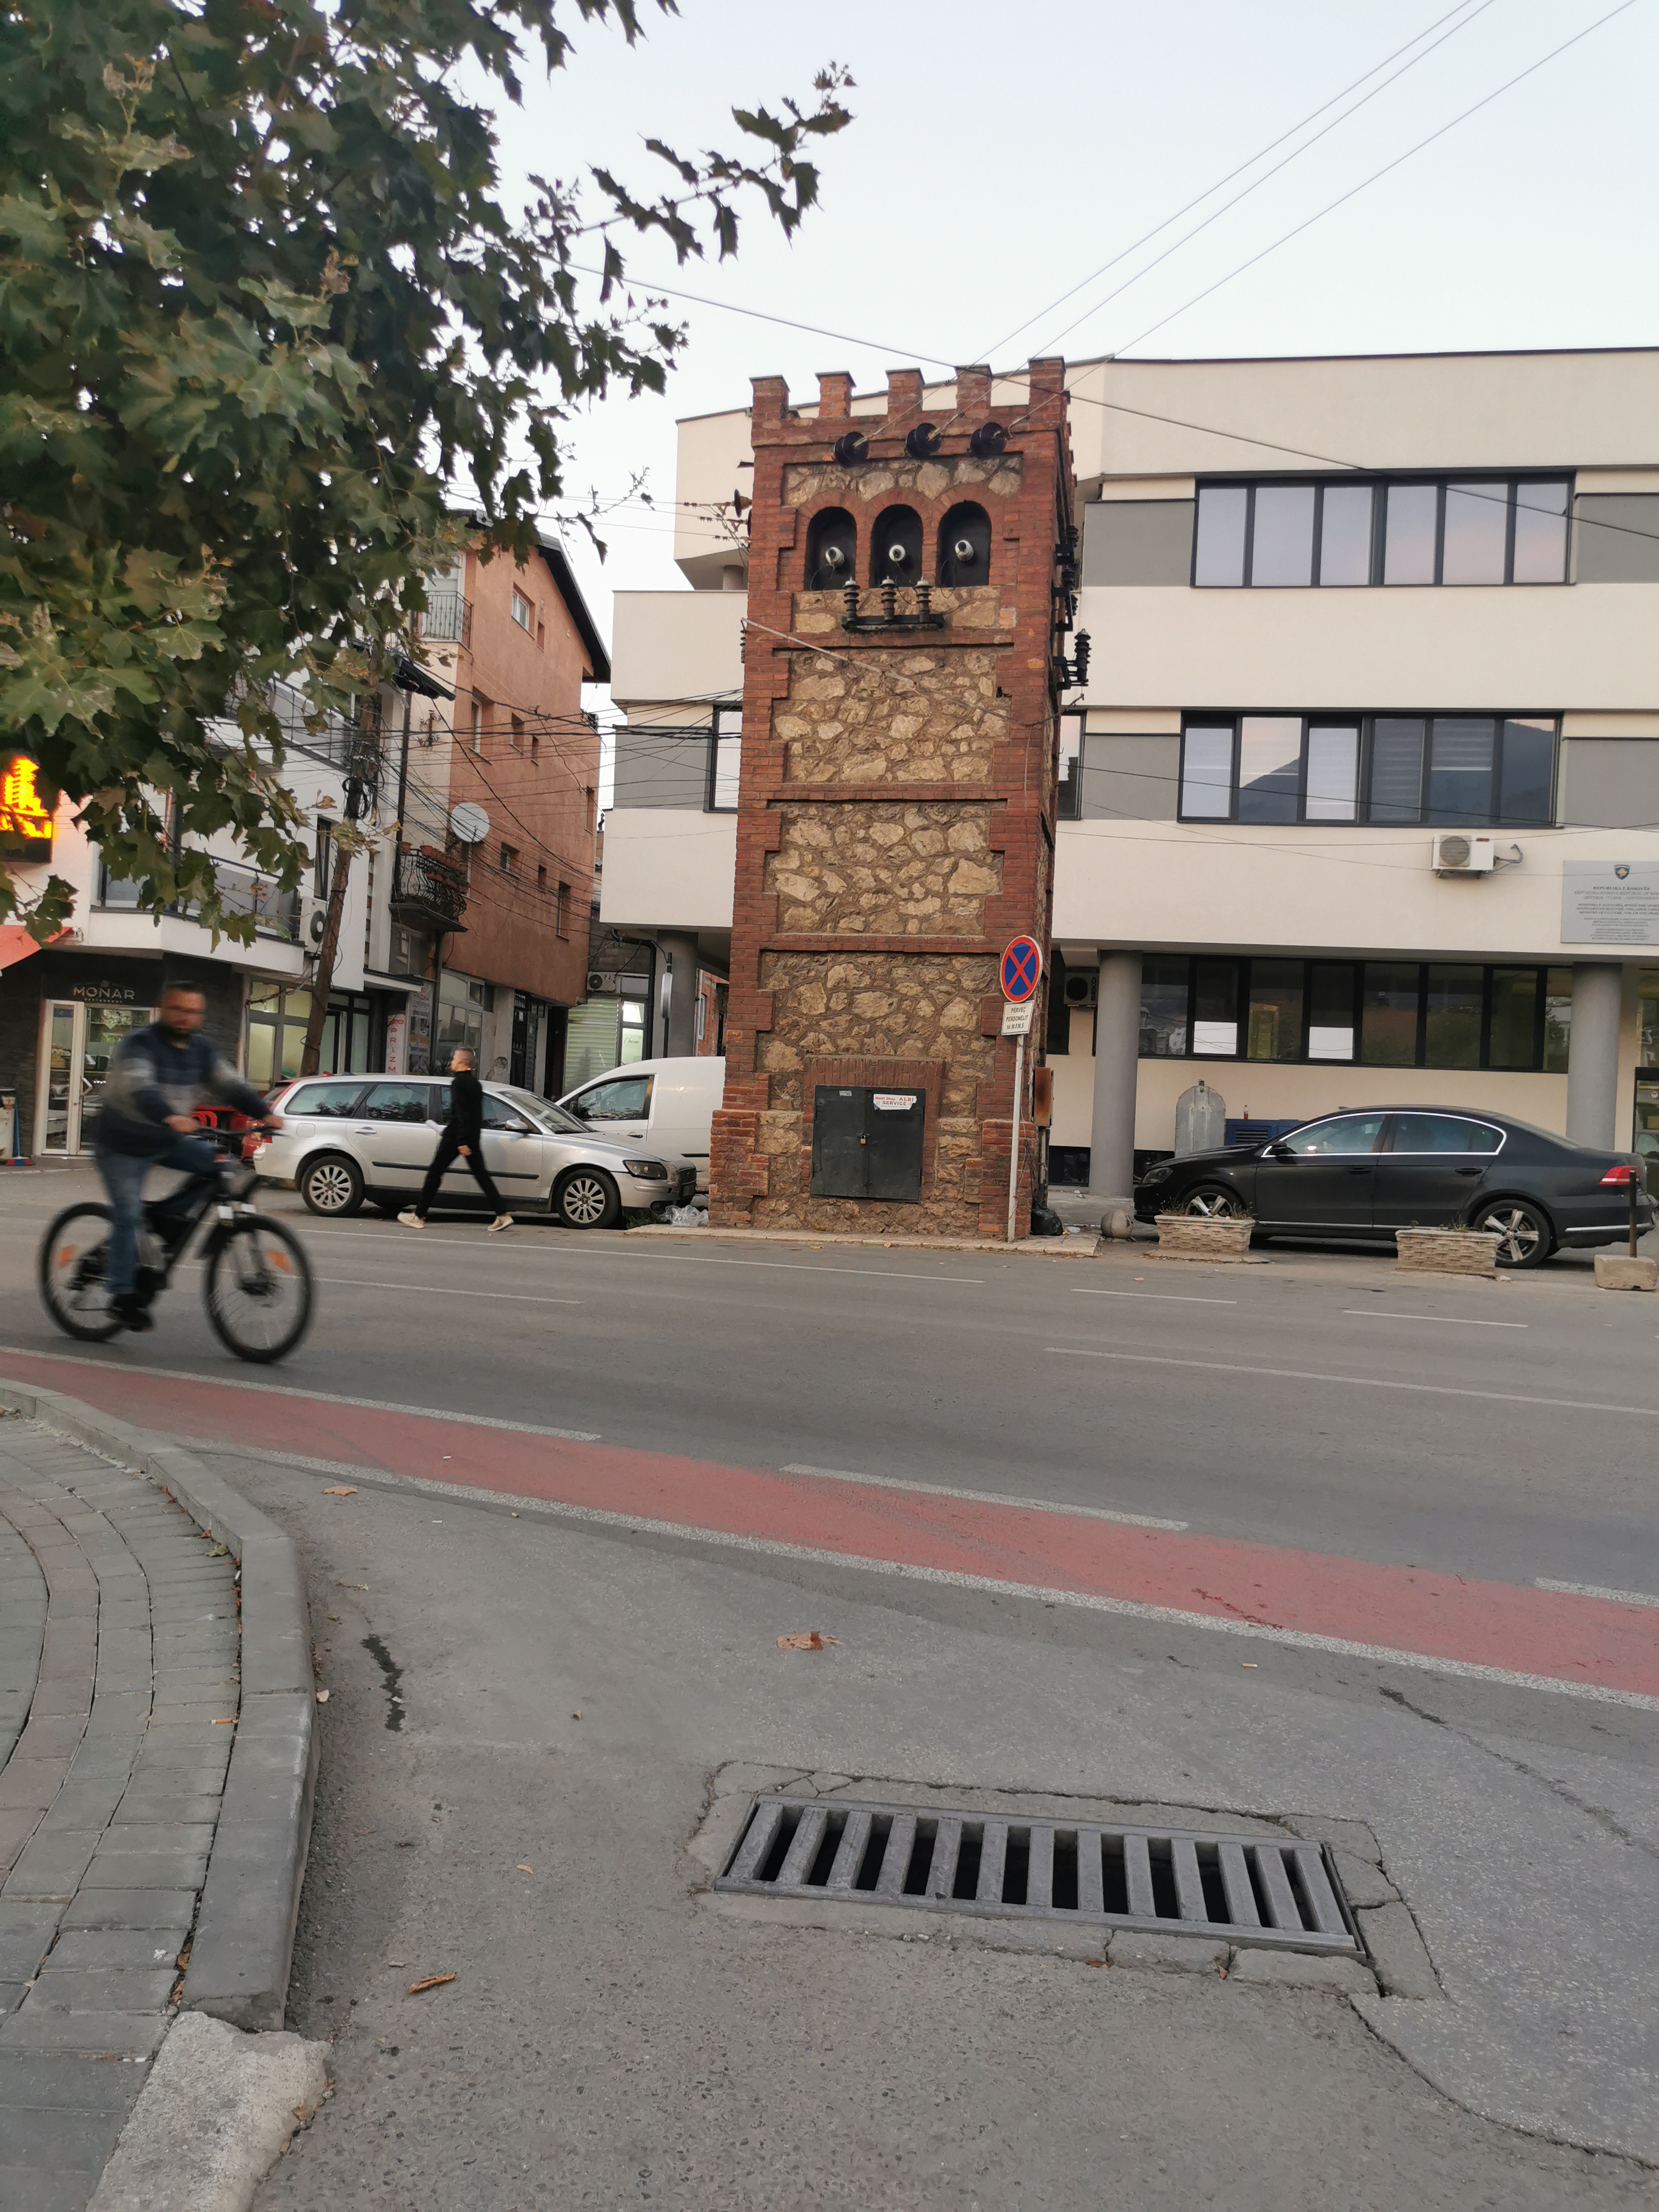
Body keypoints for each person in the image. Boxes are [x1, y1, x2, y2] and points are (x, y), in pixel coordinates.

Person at [92, 982, 282, 1332]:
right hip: (123, 1143)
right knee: (128, 1215)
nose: (185, 1018)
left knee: (219, 1164)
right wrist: (169, 1116)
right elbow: (142, 1089)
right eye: (179, 1009)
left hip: (167, 1138)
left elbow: (230, 1085)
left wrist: (265, 1113)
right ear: (164, 1009)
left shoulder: (201, 1050)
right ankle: (121, 1296)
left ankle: (167, 1218)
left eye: (193, 1012)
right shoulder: (140, 1045)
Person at [399, 1047, 513, 1232]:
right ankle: (503, 1215)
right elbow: (474, 1115)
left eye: (454, 1058)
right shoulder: (475, 1084)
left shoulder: (459, 1083)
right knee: (481, 1175)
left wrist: (460, 1141)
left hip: (458, 1138)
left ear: (461, 1061)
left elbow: (461, 1112)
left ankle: (418, 1216)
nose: (451, 1061)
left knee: (435, 1173)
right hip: (470, 1136)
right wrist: (461, 1136)